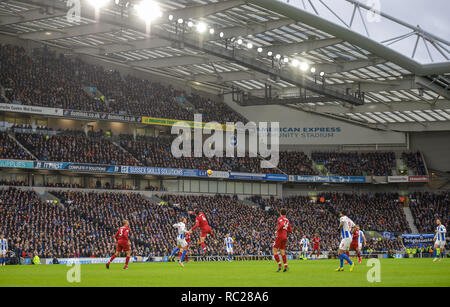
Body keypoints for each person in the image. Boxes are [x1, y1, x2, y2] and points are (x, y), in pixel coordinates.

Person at [273, 208, 292, 272]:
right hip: (285, 236)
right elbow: (290, 230)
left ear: (280, 213)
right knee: (282, 251)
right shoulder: (287, 220)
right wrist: (285, 230)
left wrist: (277, 231)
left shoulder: (280, 218)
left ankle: (280, 265)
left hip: (280, 236)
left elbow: (282, 224)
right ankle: (286, 266)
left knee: (274, 251)